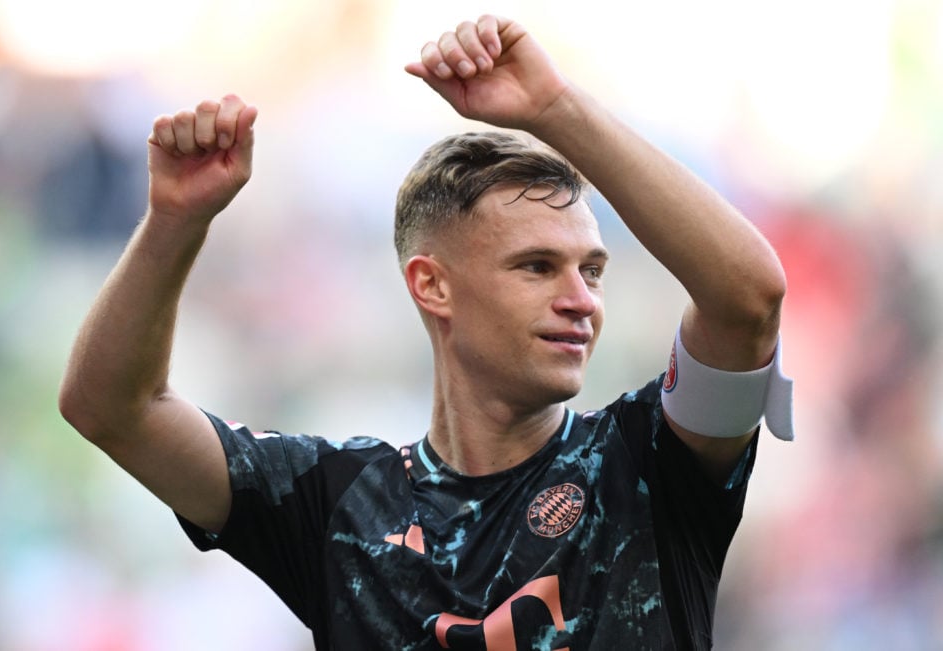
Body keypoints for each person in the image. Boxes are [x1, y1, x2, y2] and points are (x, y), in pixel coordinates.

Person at [59, 14, 793, 650]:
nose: (581, 300)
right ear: (431, 285)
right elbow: (110, 407)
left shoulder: (652, 466)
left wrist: (554, 106)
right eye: (538, 267)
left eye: (592, 271)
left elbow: (748, 299)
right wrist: (174, 221)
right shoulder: (335, 506)